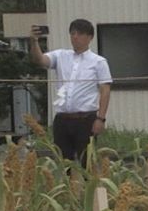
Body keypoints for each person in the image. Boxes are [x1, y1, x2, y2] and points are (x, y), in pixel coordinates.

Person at [28, 19, 112, 163]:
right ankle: (68, 186)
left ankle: (87, 186)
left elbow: (105, 90)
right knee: (63, 163)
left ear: (90, 37)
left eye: (80, 34)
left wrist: (101, 118)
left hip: (86, 119)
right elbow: (40, 60)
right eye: (73, 33)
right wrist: (34, 42)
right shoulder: (61, 55)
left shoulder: (98, 61)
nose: (75, 37)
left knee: (87, 162)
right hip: (62, 119)